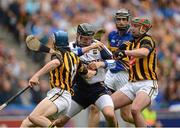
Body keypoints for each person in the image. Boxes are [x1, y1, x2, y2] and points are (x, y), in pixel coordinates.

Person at [20, 30, 96, 127]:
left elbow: (55, 63)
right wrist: (96, 70)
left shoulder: (57, 55)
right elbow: (87, 74)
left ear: (56, 42)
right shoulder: (75, 57)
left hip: (60, 94)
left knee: (34, 116)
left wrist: (36, 76)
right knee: (26, 124)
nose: (51, 43)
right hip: (64, 98)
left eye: (53, 41)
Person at [48, 23, 118, 127]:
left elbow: (114, 63)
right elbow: (71, 54)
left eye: (89, 39)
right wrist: (90, 47)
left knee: (110, 114)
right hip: (78, 90)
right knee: (60, 122)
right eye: (84, 39)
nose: (87, 41)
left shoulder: (98, 45)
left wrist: (101, 64)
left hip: (98, 88)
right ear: (77, 35)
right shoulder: (70, 46)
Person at [89, 8, 134, 125]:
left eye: (124, 19)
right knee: (95, 107)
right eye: (118, 19)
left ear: (129, 21)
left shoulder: (134, 37)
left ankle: (150, 126)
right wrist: (99, 45)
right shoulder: (112, 35)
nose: (121, 22)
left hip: (125, 76)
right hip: (110, 74)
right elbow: (110, 57)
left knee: (126, 116)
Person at [111, 17, 158, 127]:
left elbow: (144, 52)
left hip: (147, 83)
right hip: (130, 84)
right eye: (132, 25)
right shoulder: (129, 42)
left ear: (143, 28)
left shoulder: (147, 40)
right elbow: (116, 52)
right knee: (107, 106)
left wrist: (125, 53)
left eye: (136, 26)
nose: (132, 28)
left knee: (135, 109)